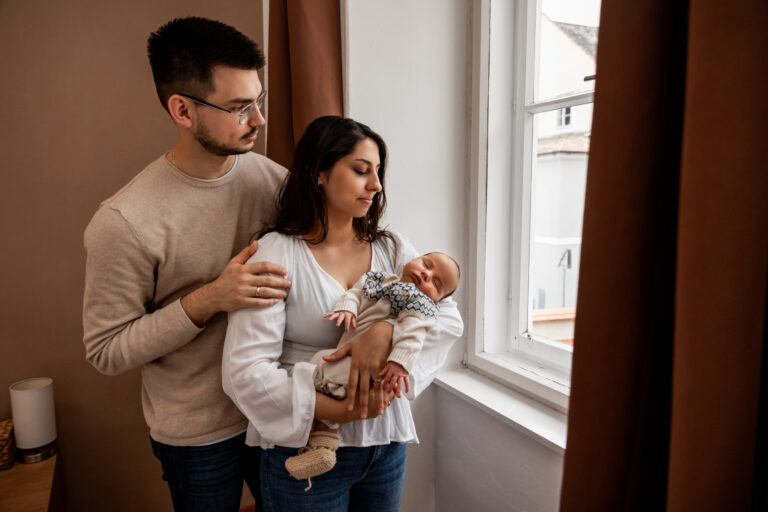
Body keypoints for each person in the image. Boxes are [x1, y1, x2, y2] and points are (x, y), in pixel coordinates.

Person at [81, 17, 292, 511]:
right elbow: (106, 350)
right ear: (182, 109)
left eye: (257, 100)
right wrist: (210, 298)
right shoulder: (123, 222)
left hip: (278, 410)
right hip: (197, 434)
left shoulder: (276, 183)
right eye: (240, 107)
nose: (258, 120)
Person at [222, 116, 464, 512]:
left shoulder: (393, 248)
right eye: (360, 170)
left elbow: (448, 319)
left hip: (385, 446)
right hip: (304, 450)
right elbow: (244, 371)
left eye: (379, 172)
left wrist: (384, 330)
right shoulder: (276, 253)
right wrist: (332, 409)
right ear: (319, 172)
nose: (377, 185)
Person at [284, 253, 461, 483]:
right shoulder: (379, 280)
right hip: (350, 356)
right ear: (412, 260)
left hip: (370, 371)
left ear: (437, 300)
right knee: (330, 381)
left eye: (436, 284)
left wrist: (399, 363)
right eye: (426, 264)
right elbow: (355, 293)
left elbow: (413, 335)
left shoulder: (419, 305)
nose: (427, 274)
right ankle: (323, 447)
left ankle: (318, 435)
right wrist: (348, 309)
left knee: (316, 369)